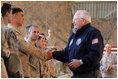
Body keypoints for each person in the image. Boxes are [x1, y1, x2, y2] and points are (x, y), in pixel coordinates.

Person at [47, 10, 104, 78]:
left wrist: (81, 62)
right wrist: (52, 54)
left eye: (75, 19)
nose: (72, 22)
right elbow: (66, 54)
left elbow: (96, 54)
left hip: (90, 75)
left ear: (83, 20)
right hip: (77, 75)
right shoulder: (73, 36)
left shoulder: (93, 33)